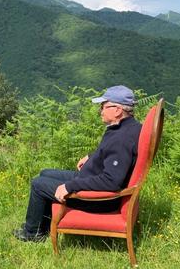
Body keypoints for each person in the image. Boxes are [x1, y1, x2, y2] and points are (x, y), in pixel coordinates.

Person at [13, 85, 142, 242]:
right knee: (45, 172)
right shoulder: (128, 127)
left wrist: (70, 186)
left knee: (38, 184)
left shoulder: (122, 139)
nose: (100, 110)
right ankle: (42, 226)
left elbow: (111, 181)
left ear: (117, 110)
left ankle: (32, 233)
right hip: (91, 176)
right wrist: (92, 156)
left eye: (103, 106)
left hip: (97, 199)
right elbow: (112, 154)